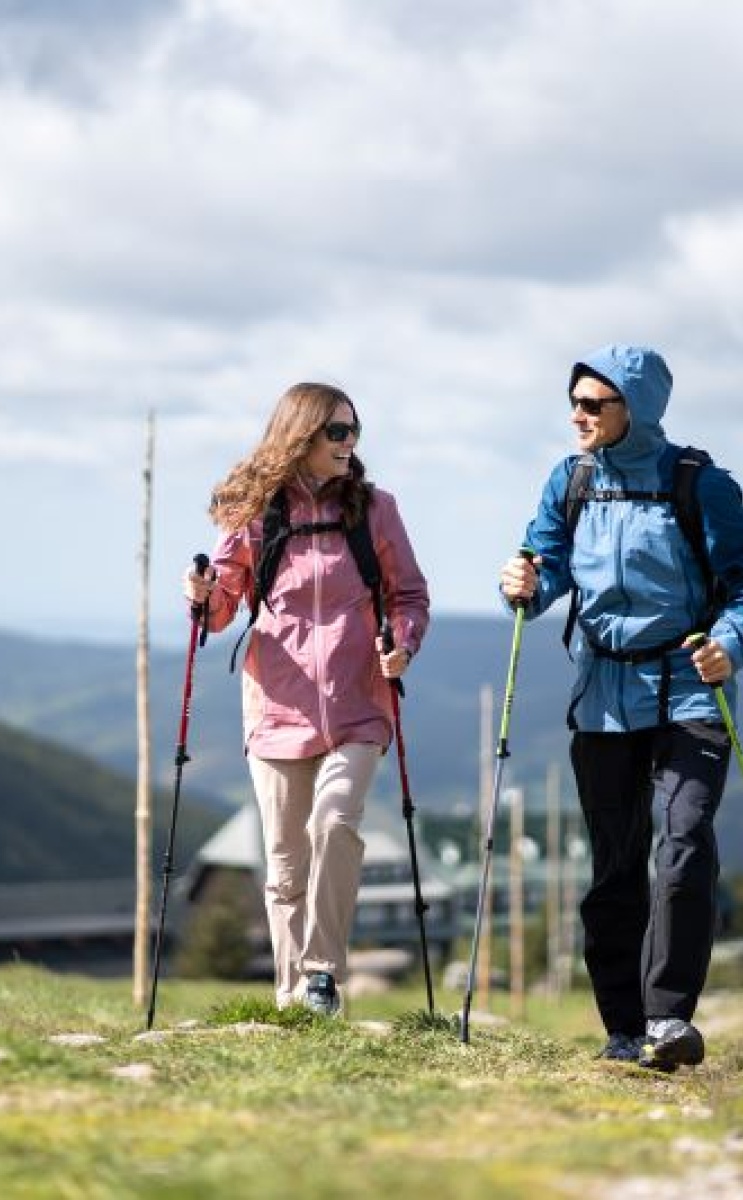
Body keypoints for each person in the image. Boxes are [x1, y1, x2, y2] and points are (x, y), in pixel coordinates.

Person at [498, 344, 743, 1070]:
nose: (578, 415)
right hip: (602, 695)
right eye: (574, 402)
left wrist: (729, 643)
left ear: (638, 407)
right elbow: (544, 566)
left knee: (683, 846)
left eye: (594, 403)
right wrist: (522, 586)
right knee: (614, 867)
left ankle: (667, 1018)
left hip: (689, 689)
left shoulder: (698, 483)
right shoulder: (570, 480)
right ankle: (622, 1028)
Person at [184, 382, 430, 1016]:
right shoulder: (257, 511)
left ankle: (321, 975)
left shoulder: (375, 509)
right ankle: (294, 1002)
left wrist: (401, 645)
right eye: (338, 431)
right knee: (285, 864)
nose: (350, 443)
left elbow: (409, 596)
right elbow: (221, 610)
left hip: (359, 703)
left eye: (354, 430)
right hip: (277, 705)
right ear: (302, 435)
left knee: (335, 822)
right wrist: (203, 595)